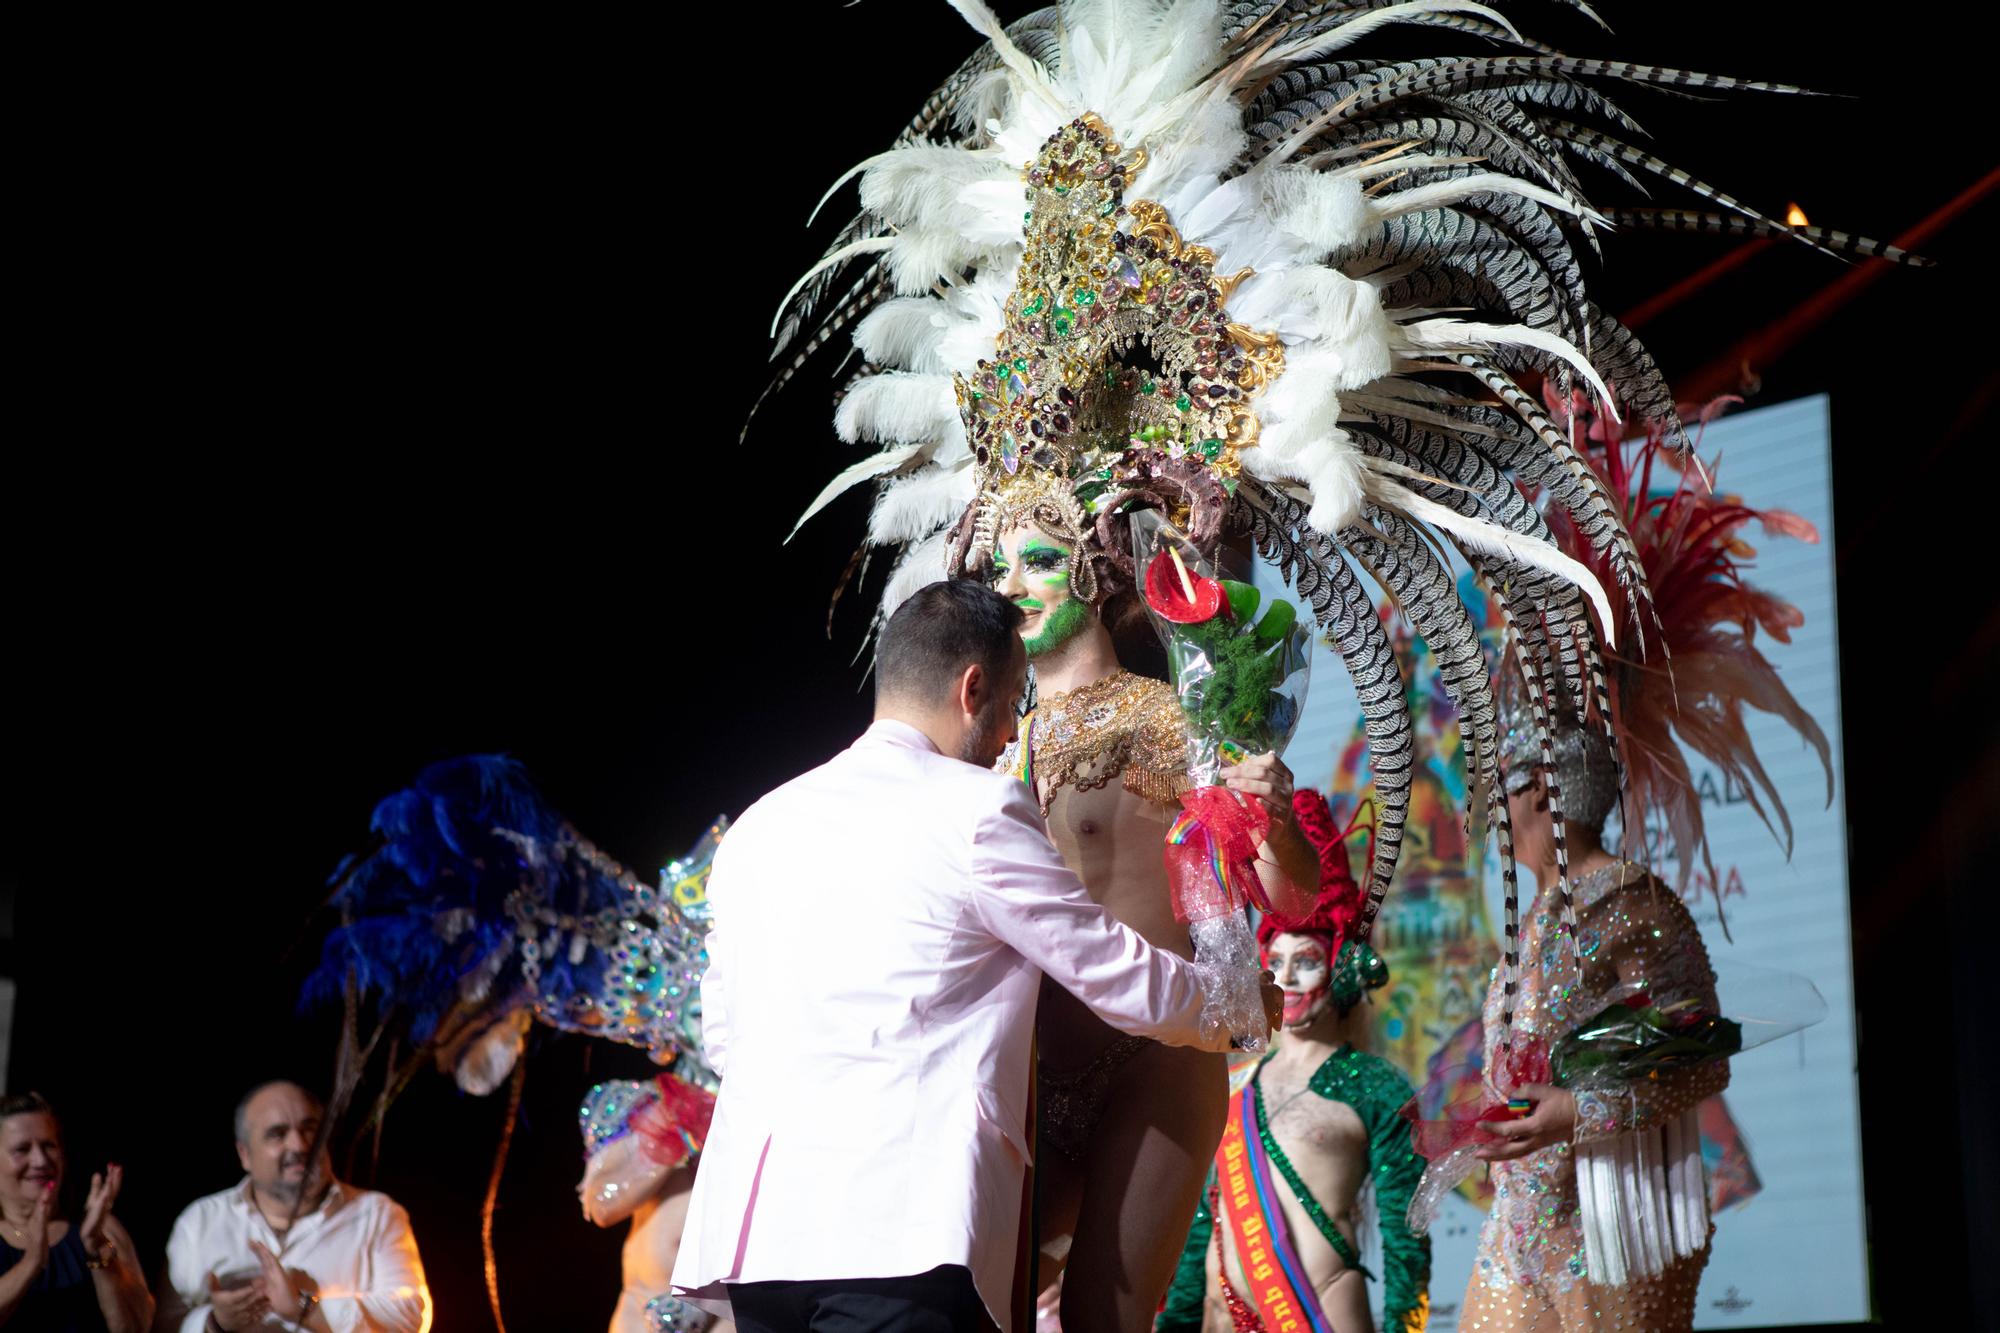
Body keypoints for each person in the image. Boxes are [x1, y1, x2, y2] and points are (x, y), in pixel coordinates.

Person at [670, 579, 1282, 1333]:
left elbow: (723, 1038)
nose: (1006, 740)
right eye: (1012, 702)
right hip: (900, 1229)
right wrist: (1229, 1002)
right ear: (974, 689)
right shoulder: (975, 809)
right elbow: (1106, 967)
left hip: (760, 1242)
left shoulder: (758, 830)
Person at [1448, 421, 1835, 1331]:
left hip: (1611, 1223)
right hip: (1517, 1227)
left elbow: (1699, 1059)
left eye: (1509, 794)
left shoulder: (1631, 900)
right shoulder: (1529, 920)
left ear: (1551, 795)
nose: (1497, 818)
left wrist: (1574, 1108)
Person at [1160, 793, 1429, 1333]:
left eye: (1306, 960)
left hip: (1319, 1314)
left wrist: (1406, 1326)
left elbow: (1408, 1241)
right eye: (1275, 961)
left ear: (1343, 963)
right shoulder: (1230, 1074)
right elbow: (1198, 1228)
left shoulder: (1376, 1086)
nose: (1289, 978)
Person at [152, 1082, 430, 1333]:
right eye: (278, 1134)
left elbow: (409, 1315)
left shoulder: (377, 1214)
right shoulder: (200, 1221)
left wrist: (304, 1307)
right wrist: (215, 1323)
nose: (298, 1144)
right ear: (245, 1154)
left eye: (310, 1129)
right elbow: (163, 1324)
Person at [579, 1076, 732, 1333]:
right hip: (639, 1305)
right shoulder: (649, 1188)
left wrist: (695, 1306)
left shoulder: (721, 1157)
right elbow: (601, 1206)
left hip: (709, 1316)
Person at [0, 1092, 152, 1332]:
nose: (40, 1161)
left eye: (49, 1145)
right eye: (22, 1149)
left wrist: (96, 1248)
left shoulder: (103, 1228)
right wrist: (32, 1262)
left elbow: (137, 1327)